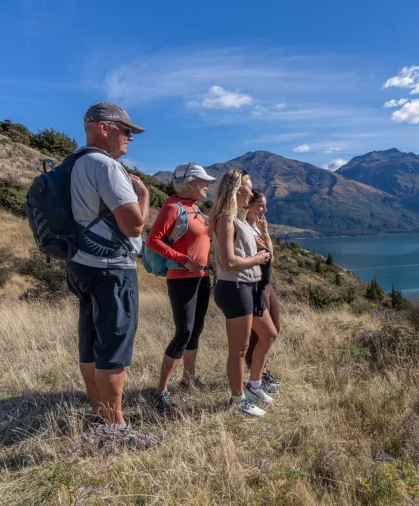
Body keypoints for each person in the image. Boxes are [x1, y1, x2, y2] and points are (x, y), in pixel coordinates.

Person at [65, 102, 158, 447]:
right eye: (127, 131)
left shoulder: (75, 163)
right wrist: (144, 196)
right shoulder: (106, 166)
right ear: (104, 128)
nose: (130, 139)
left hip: (82, 265)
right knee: (114, 350)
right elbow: (134, 225)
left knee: (90, 345)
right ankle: (118, 430)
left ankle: (98, 415)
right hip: (112, 271)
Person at [145, 162, 216, 419]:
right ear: (189, 184)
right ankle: (161, 390)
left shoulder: (195, 208)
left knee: (195, 330)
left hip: (202, 276)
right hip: (181, 277)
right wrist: (183, 259)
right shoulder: (172, 207)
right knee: (184, 332)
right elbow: (153, 240)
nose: (208, 185)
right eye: (203, 181)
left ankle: (189, 380)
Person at [210, 170, 277, 417]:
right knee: (239, 349)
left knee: (269, 334)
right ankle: (237, 399)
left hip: (249, 287)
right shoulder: (225, 219)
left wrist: (261, 247)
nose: (252, 192)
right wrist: (257, 258)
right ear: (239, 190)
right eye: (249, 188)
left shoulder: (238, 220)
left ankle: (254, 385)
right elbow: (228, 262)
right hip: (235, 287)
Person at [244, 190, 282, 391]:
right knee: (257, 336)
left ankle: (262, 372)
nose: (264, 210)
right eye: (260, 205)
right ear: (248, 205)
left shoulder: (257, 228)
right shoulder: (244, 228)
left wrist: (265, 231)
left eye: (264, 206)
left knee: (274, 327)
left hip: (266, 284)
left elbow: (271, 257)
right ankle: (257, 377)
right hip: (255, 284)